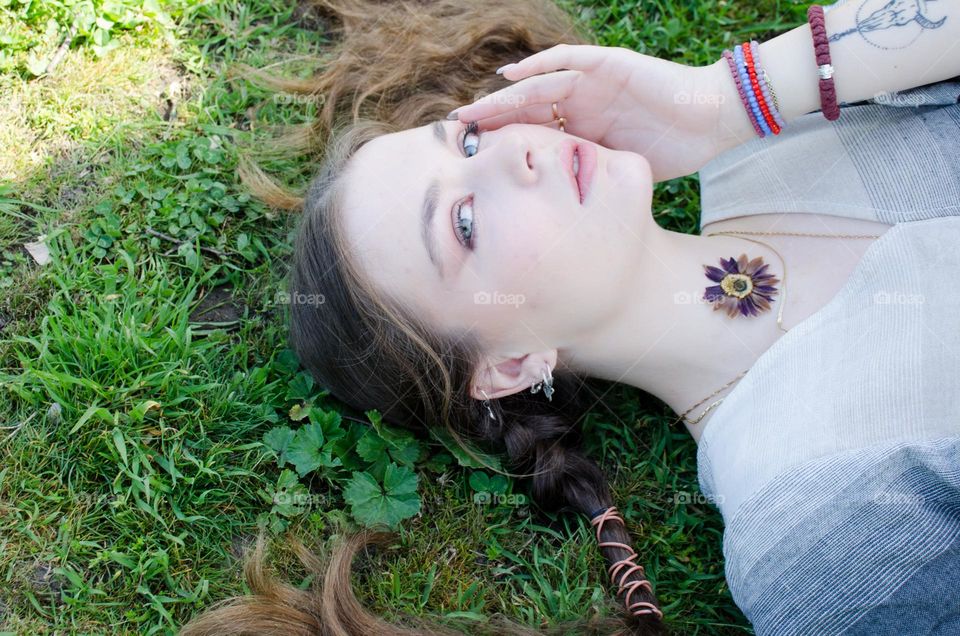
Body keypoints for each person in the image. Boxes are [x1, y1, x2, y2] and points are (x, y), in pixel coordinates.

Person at [180, 0, 960, 634]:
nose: (513, 153)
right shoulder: (813, 526)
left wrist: (733, 95)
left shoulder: (773, 132)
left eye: (469, 136)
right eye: (463, 224)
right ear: (508, 365)